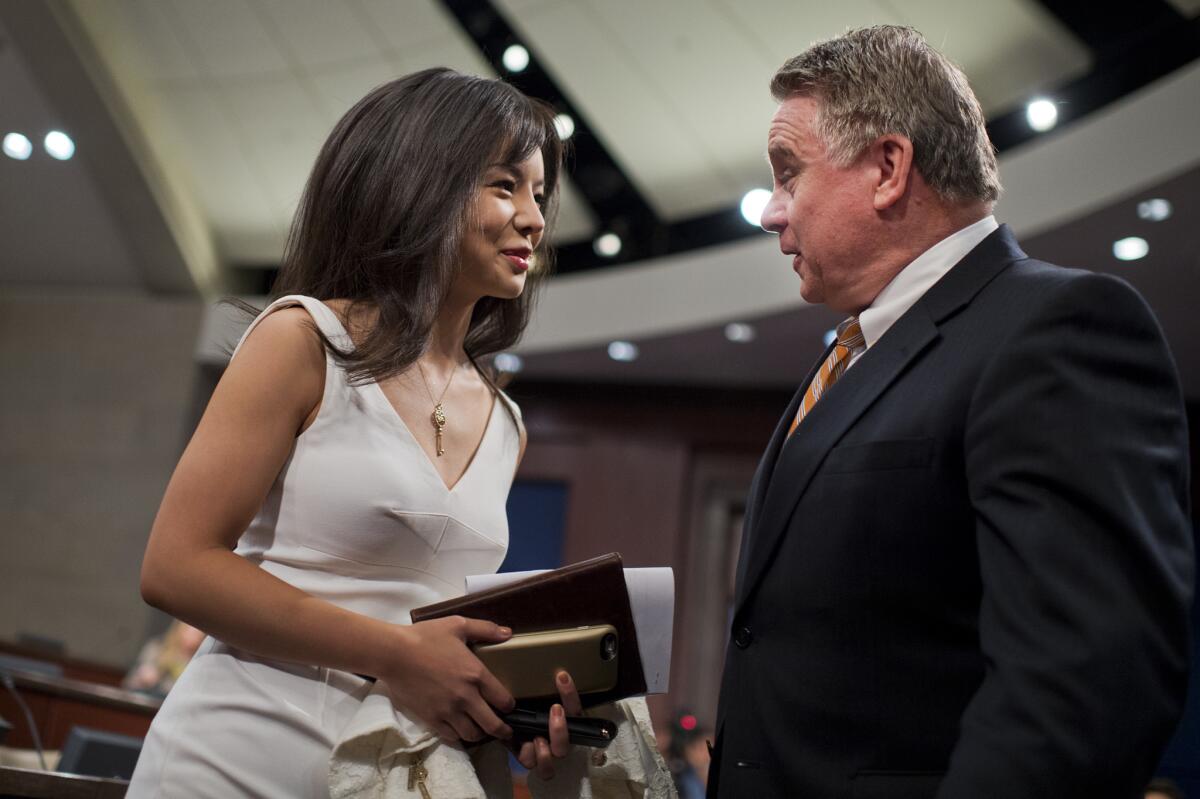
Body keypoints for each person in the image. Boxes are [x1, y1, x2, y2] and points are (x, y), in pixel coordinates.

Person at [709, 25, 1193, 798]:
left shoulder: (1058, 326)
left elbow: (1083, 683)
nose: (771, 212)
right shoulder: (848, 353)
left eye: (788, 173)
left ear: (888, 169)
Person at [127, 68, 615, 797]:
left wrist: (517, 712)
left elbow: (440, 635)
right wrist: (397, 653)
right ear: (421, 183)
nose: (534, 218)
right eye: (504, 185)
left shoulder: (506, 420)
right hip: (240, 760)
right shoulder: (305, 340)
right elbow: (175, 565)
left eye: (539, 194)